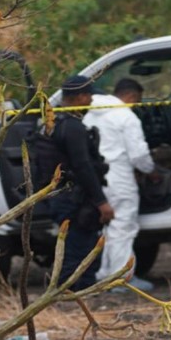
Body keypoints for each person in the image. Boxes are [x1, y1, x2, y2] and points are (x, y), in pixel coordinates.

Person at [83, 78, 159, 292]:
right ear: (132, 97)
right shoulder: (126, 116)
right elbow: (138, 155)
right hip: (120, 177)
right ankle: (122, 278)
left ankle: (104, 275)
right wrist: (152, 171)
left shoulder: (90, 113)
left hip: (98, 177)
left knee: (106, 228)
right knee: (123, 227)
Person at [49, 75, 114, 291]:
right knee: (80, 253)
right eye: (89, 97)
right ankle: (75, 298)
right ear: (80, 96)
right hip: (75, 201)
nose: (90, 102)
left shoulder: (55, 123)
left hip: (64, 197)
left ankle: (77, 296)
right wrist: (101, 201)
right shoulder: (73, 127)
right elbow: (83, 166)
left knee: (75, 251)